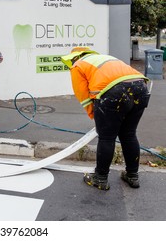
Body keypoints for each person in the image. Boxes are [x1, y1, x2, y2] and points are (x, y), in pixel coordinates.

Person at [61, 47, 150, 191]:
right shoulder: (104, 58)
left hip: (114, 93)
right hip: (141, 88)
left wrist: (95, 116)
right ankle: (132, 176)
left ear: (74, 57)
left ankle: (100, 178)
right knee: (129, 134)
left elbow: (83, 96)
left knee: (106, 137)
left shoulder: (77, 65)